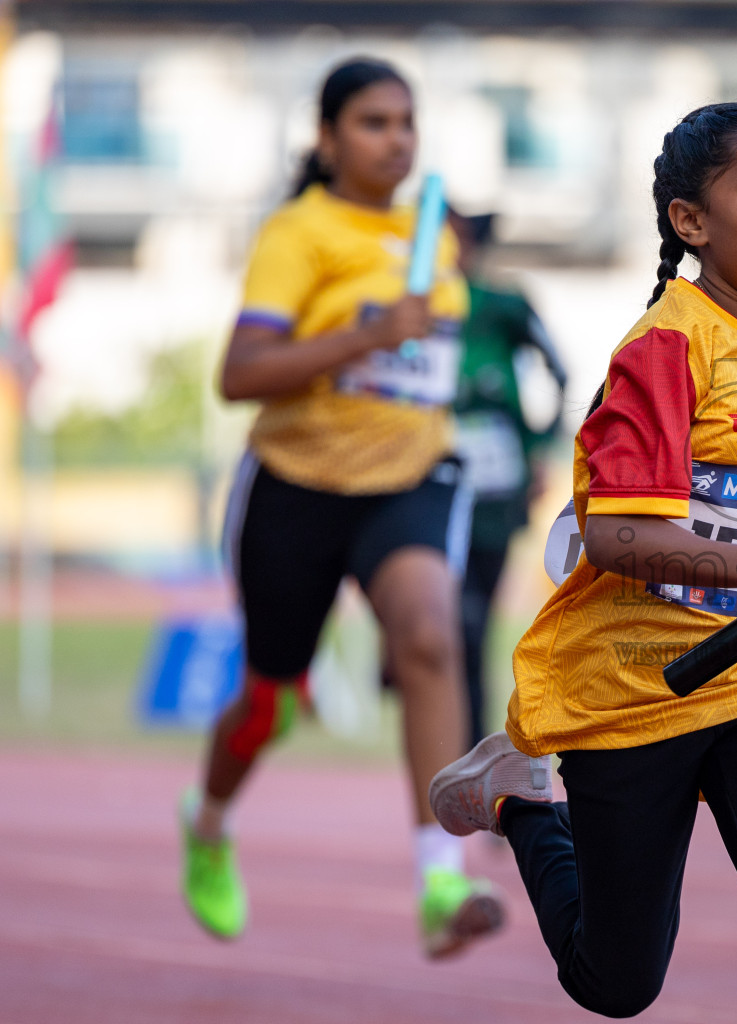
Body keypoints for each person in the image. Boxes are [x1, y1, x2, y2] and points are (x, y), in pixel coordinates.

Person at [427, 102, 737, 1022]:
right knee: (618, 981)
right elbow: (618, 539)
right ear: (691, 221)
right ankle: (521, 802)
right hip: (636, 680)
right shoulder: (664, 350)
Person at [179, 57, 503, 959]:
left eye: (407, 121)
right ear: (326, 139)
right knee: (269, 702)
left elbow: (422, 360)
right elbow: (240, 375)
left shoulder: (432, 235)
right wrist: (367, 332)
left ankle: (443, 879)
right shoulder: (299, 232)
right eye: (372, 122)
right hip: (297, 486)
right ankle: (207, 821)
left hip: (409, 477)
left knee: (430, 636)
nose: (396, 138)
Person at [447, 210, 567, 748]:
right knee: (441, 620)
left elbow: (560, 373)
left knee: (472, 623)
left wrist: (538, 450)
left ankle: (474, 750)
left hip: (496, 493)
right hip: (426, 485)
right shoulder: (406, 307)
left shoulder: (502, 306)